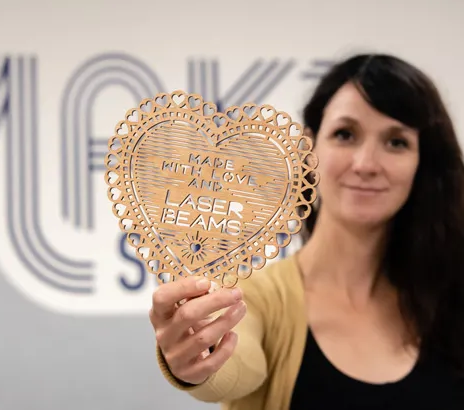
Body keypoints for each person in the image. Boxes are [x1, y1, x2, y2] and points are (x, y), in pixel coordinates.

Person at [149, 53, 464, 409]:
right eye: (345, 135)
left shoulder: (450, 296)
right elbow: (235, 366)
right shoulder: (258, 297)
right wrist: (199, 360)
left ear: (423, 161)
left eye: (396, 142)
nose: (366, 164)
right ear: (310, 148)